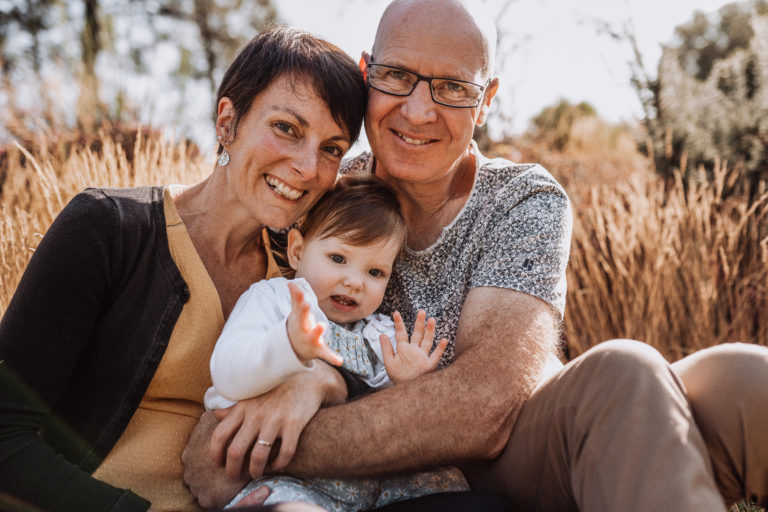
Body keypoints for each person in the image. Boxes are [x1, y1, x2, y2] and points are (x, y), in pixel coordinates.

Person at [183, 1, 768, 511]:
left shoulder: (521, 199)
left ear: (485, 101)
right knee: (626, 370)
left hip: (511, 438)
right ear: (368, 77)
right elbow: (261, 336)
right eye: (397, 77)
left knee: (748, 382)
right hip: (432, 477)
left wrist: (292, 422)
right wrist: (284, 389)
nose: (417, 110)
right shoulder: (328, 192)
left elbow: (488, 407)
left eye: (453, 87)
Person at [0, 26, 368, 512]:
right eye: (286, 128)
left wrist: (323, 380)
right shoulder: (109, 228)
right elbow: (6, 437)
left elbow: (366, 366)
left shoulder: (301, 274)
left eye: (332, 149)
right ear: (227, 121)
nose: (307, 167)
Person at [207, 175, 467, 511]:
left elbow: (397, 421)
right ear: (298, 250)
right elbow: (225, 373)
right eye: (339, 259)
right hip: (287, 479)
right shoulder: (276, 300)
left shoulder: (380, 334)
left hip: (369, 480)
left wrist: (408, 382)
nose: (355, 282)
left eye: (375, 272)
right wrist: (286, 345)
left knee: (454, 484)